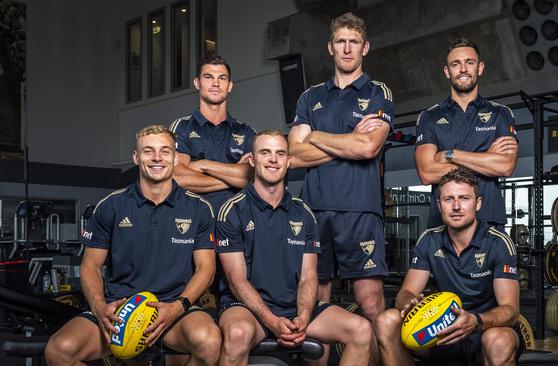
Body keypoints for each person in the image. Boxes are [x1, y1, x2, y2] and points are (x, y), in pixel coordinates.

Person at [45, 125, 222, 365]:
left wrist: (178, 307)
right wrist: (99, 307)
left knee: (209, 341)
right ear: (136, 158)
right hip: (121, 309)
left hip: (174, 308)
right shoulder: (111, 206)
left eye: (164, 151)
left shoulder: (199, 208)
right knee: (59, 351)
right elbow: (91, 266)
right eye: (148, 151)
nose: (157, 158)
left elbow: (206, 269)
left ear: (175, 157)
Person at [215, 130, 373, 366]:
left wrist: (304, 316)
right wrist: (272, 321)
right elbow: (236, 280)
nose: (273, 160)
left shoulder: (304, 213)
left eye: (280, 154)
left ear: (288, 162)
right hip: (246, 308)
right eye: (265, 153)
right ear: (251, 160)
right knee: (237, 335)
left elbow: (309, 277)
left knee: (361, 329)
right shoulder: (233, 210)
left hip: (292, 305)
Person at [288, 11, 392, 326]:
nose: (347, 48)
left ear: (365, 48)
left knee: (371, 304)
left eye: (354, 42)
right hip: (314, 211)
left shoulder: (378, 93)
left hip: (360, 211)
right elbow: (293, 154)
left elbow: (368, 147)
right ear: (330, 47)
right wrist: (350, 143)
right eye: (341, 42)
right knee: (315, 304)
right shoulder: (310, 97)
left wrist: (316, 136)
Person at [375, 167, 523, 366]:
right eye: (448, 199)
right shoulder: (429, 239)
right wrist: (409, 303)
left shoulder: (498, 243)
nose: (456, 206)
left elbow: (510, 310)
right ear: (439, 205)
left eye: (464, 198)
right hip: (441, 328)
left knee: (499, 342)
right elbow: (407, 292)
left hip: (483, 328)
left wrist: (475, 321)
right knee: (387, 321)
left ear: (478, 203)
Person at [415, 38, 518, 229]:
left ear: (480, 68)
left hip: (489, 221)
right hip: (442, 224)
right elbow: (427, 173)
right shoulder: (429, 117)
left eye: (469, 62)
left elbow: (505, 166)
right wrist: (487, 160)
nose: (463, 69)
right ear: (447, 71)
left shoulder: (501, 114)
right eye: (455, 64)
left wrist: (450, 155)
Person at [170, 54, 256, 212]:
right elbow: (179, 177)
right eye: (208, 77)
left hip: (238, 222)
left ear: (229, 86)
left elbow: (254, 177)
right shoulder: (182, 127)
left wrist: (203, 165)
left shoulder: (246, 132)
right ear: (197, 83)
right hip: (194, 220)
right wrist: (234, 175)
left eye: (222, 78)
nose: (216, 83)